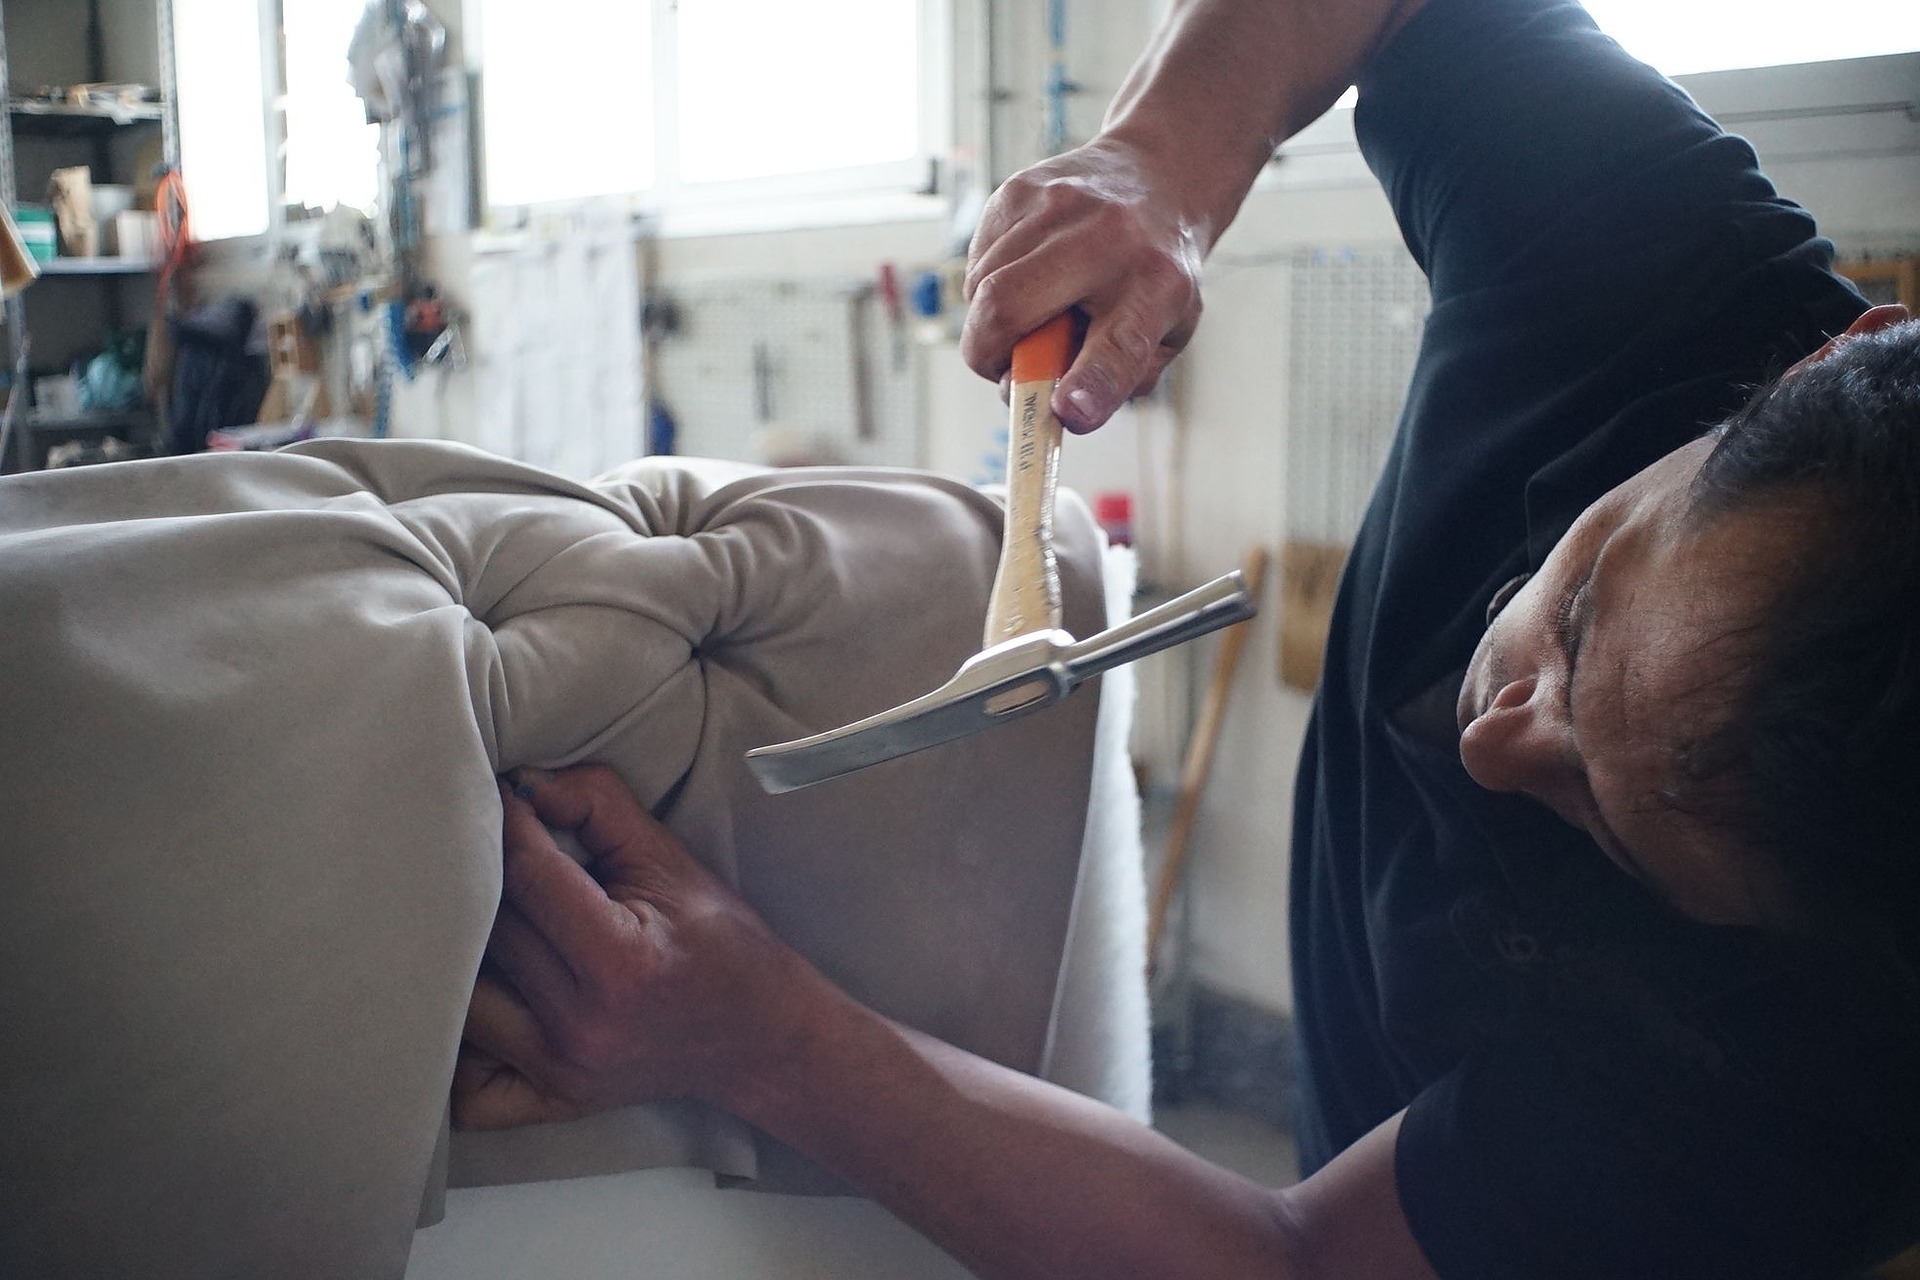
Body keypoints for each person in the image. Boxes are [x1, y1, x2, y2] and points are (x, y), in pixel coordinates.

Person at [454, 0, 1920, 1274]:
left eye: (1603, 819)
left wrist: (758, 1039)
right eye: (1588, 604)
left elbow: (1294, 1262)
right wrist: (1162, 162)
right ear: (1814, 362)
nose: (1492, 739)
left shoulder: (1830, 1076)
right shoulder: (1667, 279)